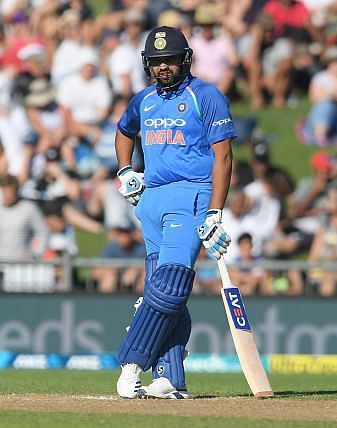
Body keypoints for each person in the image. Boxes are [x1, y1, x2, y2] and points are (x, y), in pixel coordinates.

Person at [114, 26, 236, 399]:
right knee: (163, 286)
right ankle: (170, 378)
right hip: (151, 200)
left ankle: (131, 359)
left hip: (192, 195)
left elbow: (224, 156)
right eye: (156, 62)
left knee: (168, 288)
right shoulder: (145, 100)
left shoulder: (206, 95)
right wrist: (125, 171)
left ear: (185, 59)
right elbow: (123, 132)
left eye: (169, 60)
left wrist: (215, 211)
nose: (163, 67)